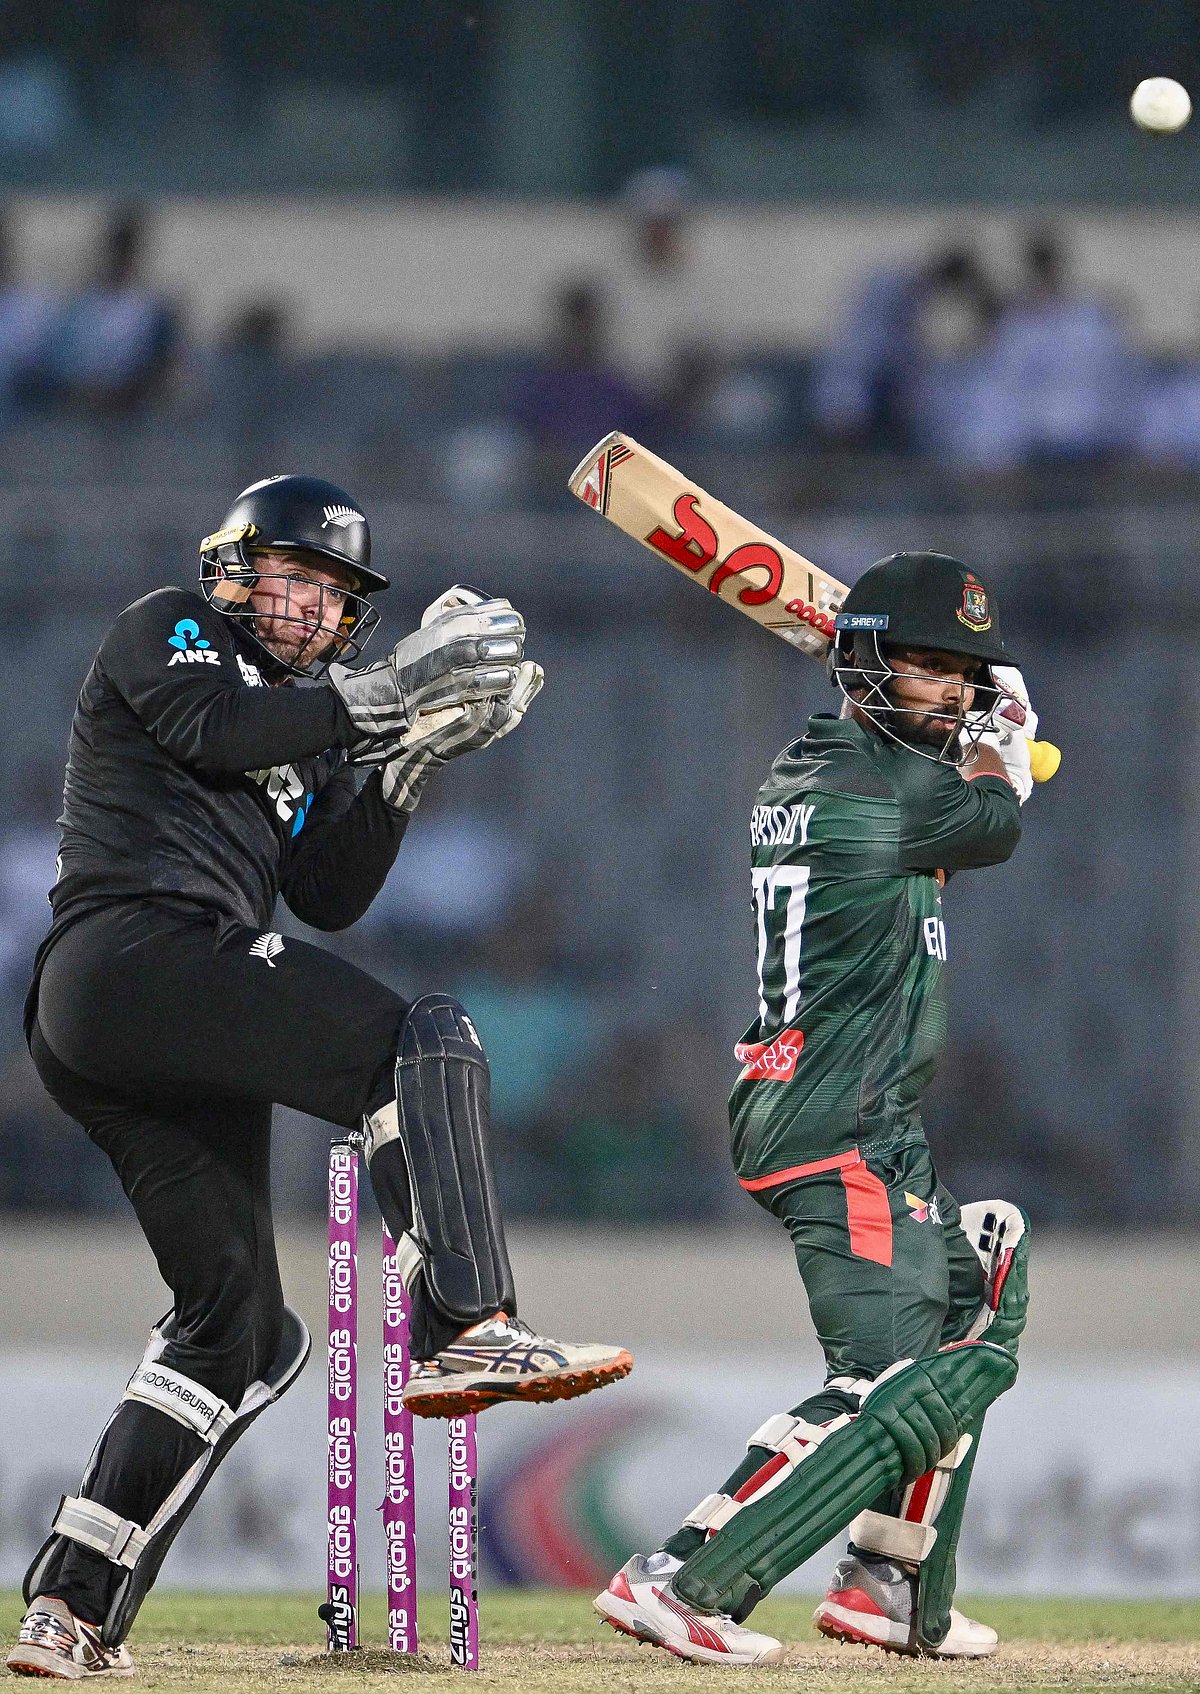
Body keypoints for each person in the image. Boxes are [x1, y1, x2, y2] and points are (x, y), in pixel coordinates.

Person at [6, 473, 632, 1680]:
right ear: (233, 569)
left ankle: (69, 1609)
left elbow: (331, 891)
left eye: (332, 591)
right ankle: (465, 1320)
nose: (306, 605)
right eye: (290, 575)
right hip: (131, 952)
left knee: (239, 1334)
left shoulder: (316, 717)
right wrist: (386, 695)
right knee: (426, 1033)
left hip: (156, 1015)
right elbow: (214, 733)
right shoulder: (168, 632)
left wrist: (407, 764)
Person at [594, 552, 1033, 1665]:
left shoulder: (831, 766)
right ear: (865, 664)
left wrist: (991, 741)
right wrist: (1009, 742)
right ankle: (691, 1577)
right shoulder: (882, 786)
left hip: (862, 1116)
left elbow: (971, 805)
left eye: (964, 673)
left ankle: (891, 1580)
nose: (950, 689)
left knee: (981, 1282)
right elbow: (995, 821)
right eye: (928, 667)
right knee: (889, 1381)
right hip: (834, 1121)